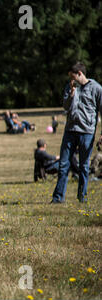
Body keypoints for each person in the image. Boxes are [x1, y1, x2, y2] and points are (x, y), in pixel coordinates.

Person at [52, 61, 102, 203]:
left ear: (80, 74)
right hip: (70, 131)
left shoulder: (97, 88)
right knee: (63, 165)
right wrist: (72, 92)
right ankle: (58, 198)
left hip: (87, 132)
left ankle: (82, 197)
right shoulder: (70, 87)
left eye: (72, 77)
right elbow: (66, 107)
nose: (70, 80)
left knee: (84, 166)